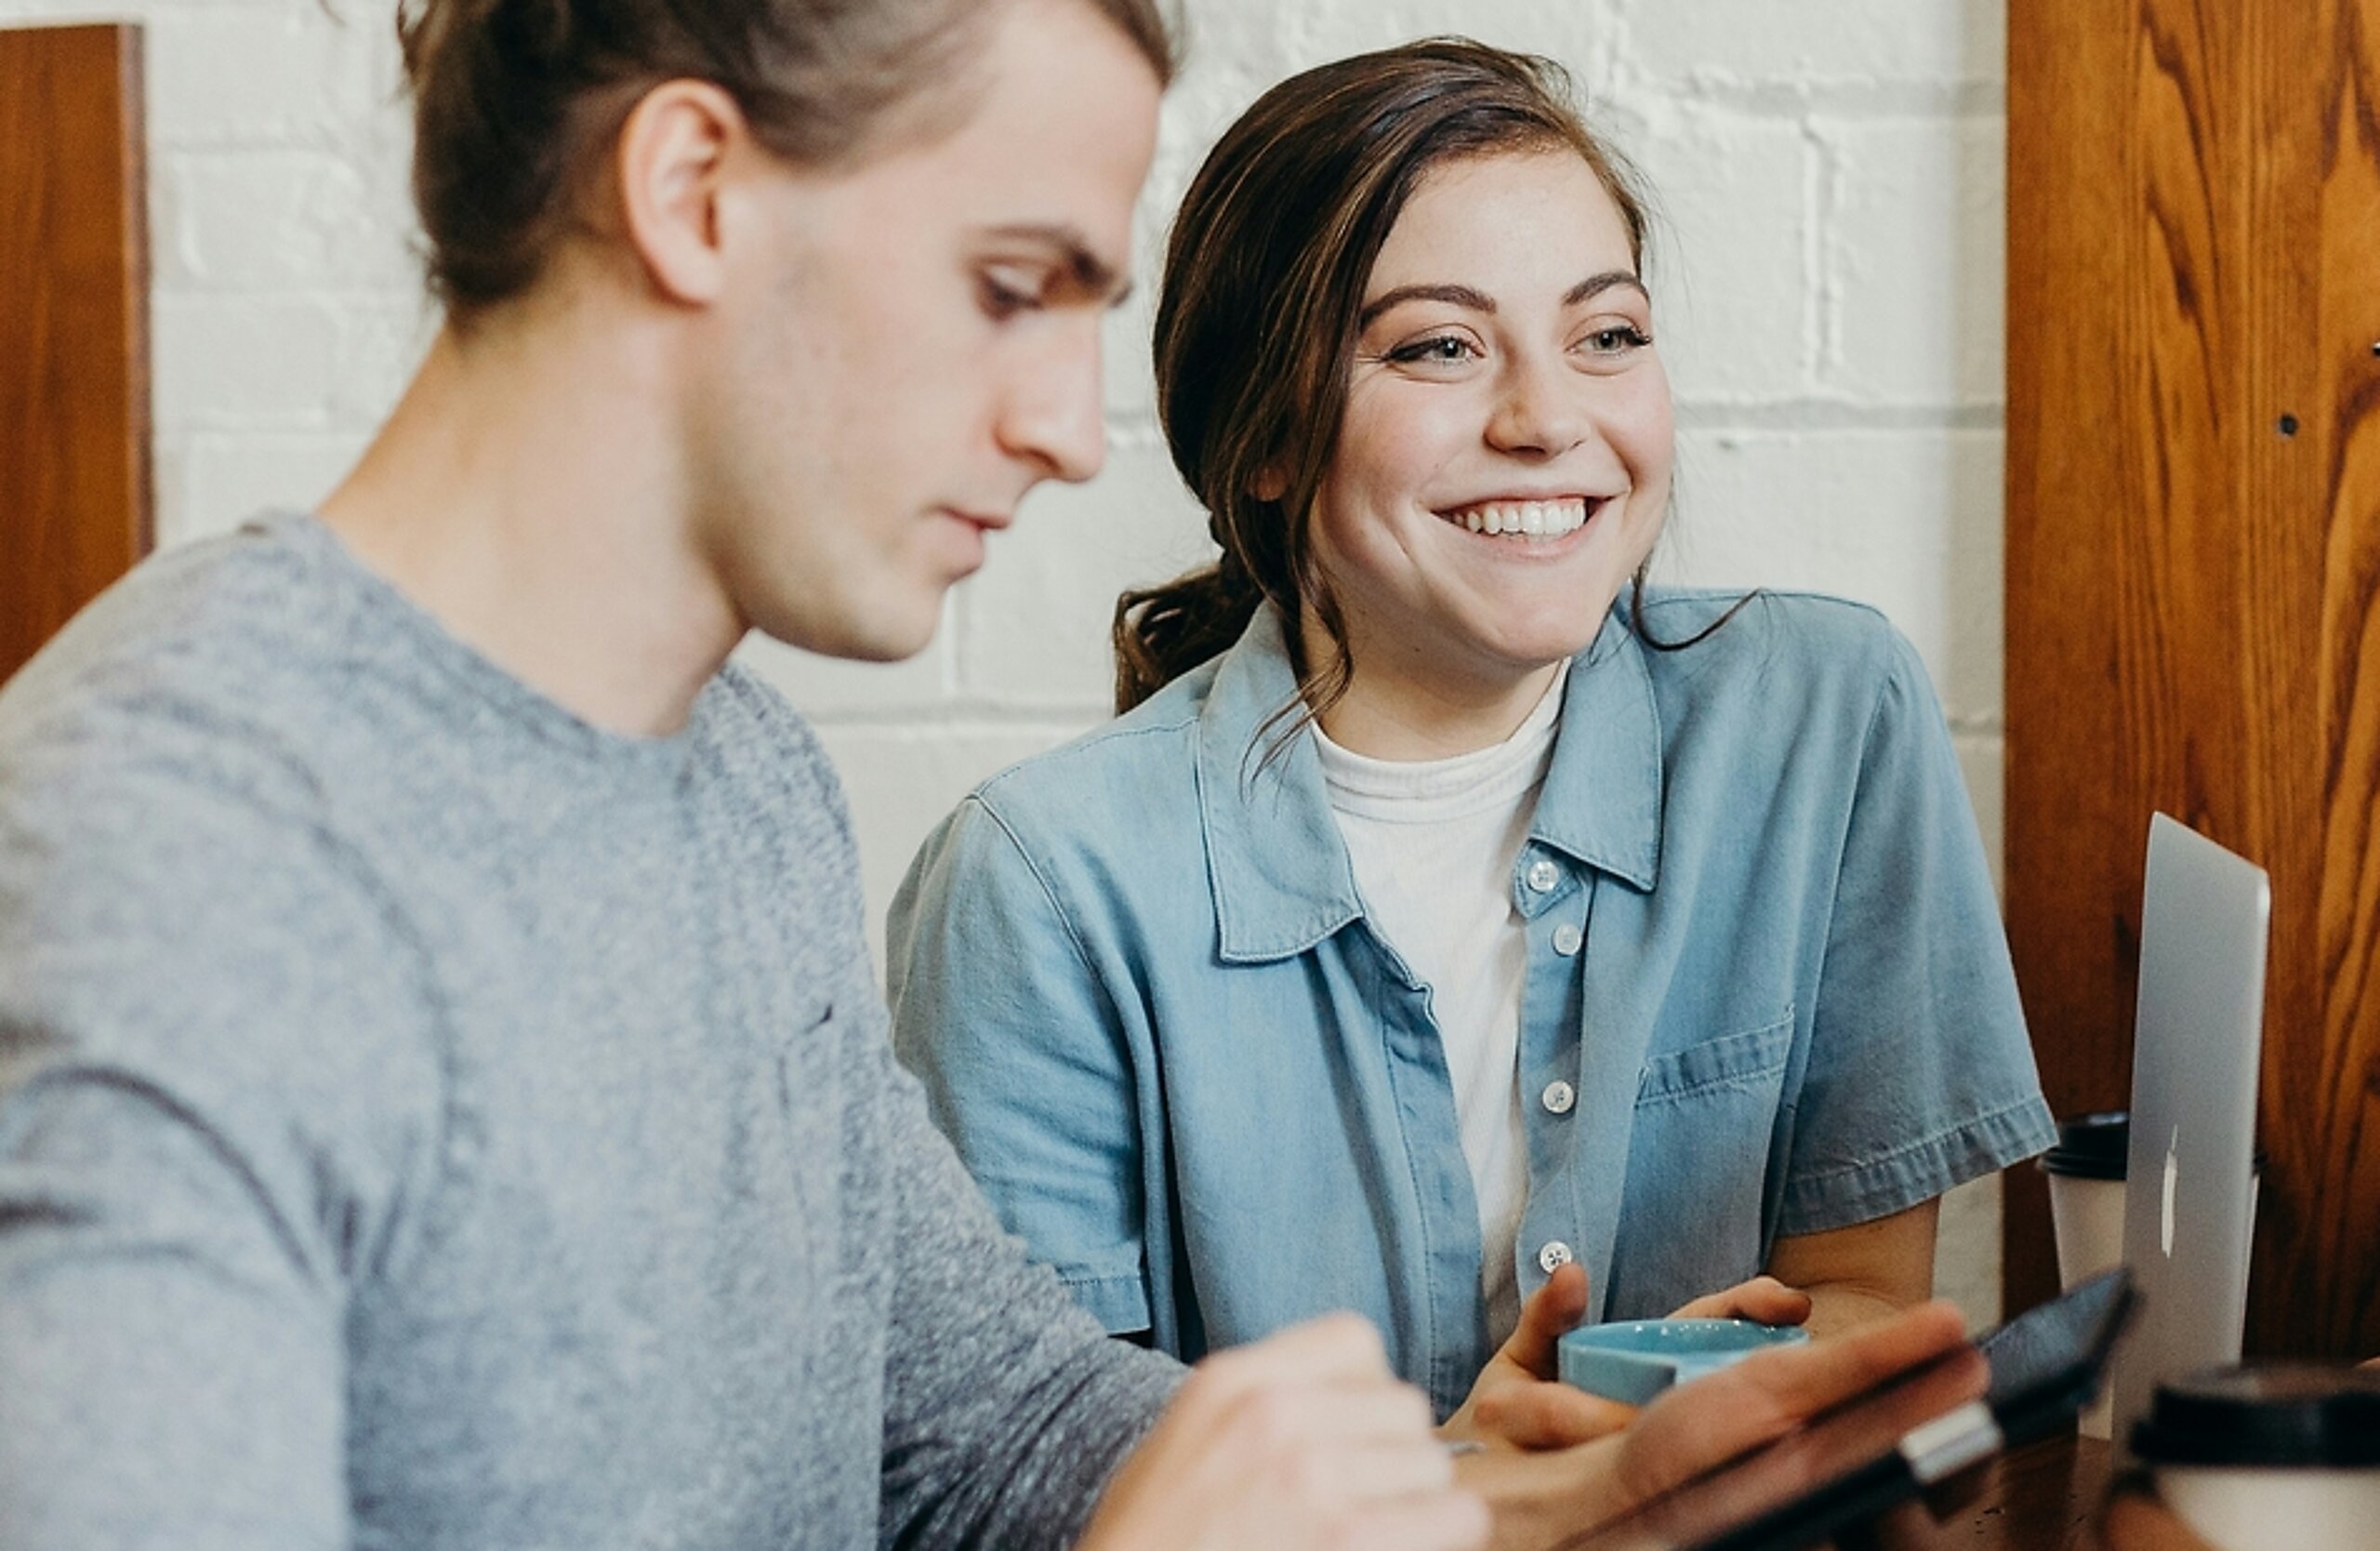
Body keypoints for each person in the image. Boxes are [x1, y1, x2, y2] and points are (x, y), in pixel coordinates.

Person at [0, 1, 1987, 1547]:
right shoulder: (169, 859)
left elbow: (997, 1434)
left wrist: (1484, 1494)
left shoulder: (733, 786)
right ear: (691, 190)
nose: (1062, 431)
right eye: (1007, 285)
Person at [887, 37, 2058, 1419]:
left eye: (1606, 335)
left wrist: (1676, 1431)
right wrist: (1486, 1495)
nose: (1548, 418)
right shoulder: (1037, 890)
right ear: (1261, 439)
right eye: (1439, 346)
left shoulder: (1824, 721)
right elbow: (1030, 1477)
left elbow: (1864, 1296)